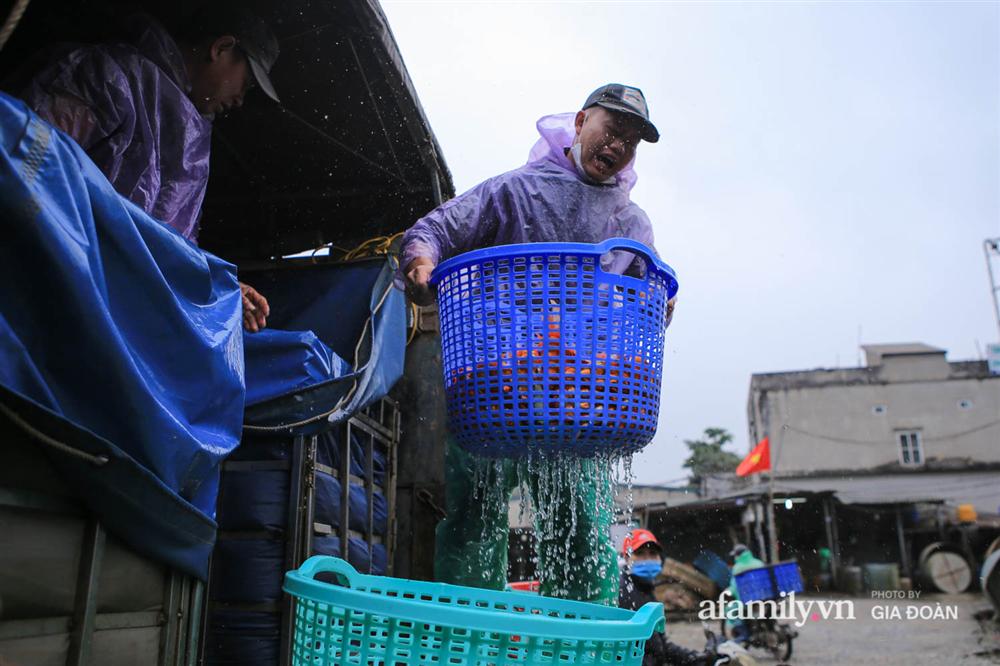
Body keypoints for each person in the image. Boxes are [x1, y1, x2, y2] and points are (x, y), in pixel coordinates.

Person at [399, 84, 675, 605]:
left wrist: (662, 304)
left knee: (581, 535)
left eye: (631, 142)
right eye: (610, 130)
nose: (617, 146)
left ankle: (577, 645)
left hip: (575, 399)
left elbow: (647, 297)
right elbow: (435, 230)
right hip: (495, 388)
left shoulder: (629, 222)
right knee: (474, 525)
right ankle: (467, 636)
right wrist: (421, 259)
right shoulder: (513, 192)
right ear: (579, 122)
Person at [22, 5, 277, 332]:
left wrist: (222, 289)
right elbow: (29, 164)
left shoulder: (195, 139)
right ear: (221, 48)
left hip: (105, 321)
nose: (242, 98)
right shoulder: (110, 77)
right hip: (45, 292)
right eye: (248, 81)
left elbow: (172, 246)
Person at [618, 529, 721, 666]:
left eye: (653, 554)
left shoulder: (646, 591)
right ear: (627, 558)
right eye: (640, 554)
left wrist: (697, 657)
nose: (648, 559)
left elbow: (660, 646)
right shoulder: (624, 592)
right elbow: (629, 651)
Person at [726, 544, 766, 642]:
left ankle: (743, 634)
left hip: (747, 599)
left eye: (735, 555)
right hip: (764, 596)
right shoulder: (759, 563)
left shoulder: (738, 567)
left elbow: (735, 587)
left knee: (730, 610)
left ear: (739, 555)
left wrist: (729, 591)